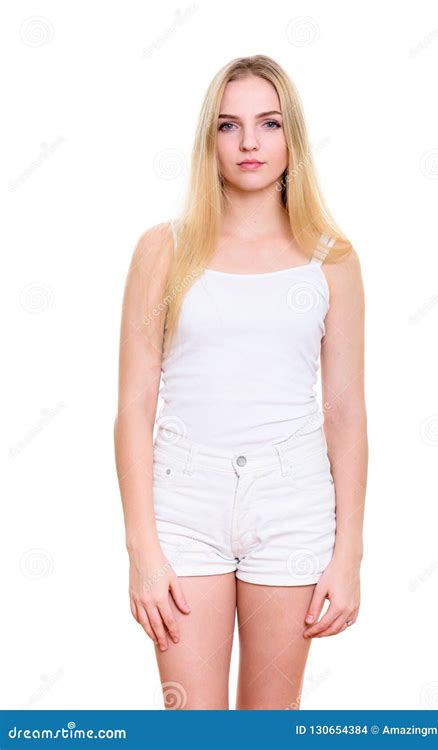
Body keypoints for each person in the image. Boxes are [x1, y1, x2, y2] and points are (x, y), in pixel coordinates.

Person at [114, 54, 368, 710]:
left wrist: (348, 556)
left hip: (292, 501)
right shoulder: (163, 250)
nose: (249, 143)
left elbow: (344, 413)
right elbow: (134, 404)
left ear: (293, 138)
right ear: (209, 140)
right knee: (191, 725)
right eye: (229, 126)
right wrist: (142, 547)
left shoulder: (330, 260)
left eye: (268, 123)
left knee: (269, 727)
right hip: (184, 499)